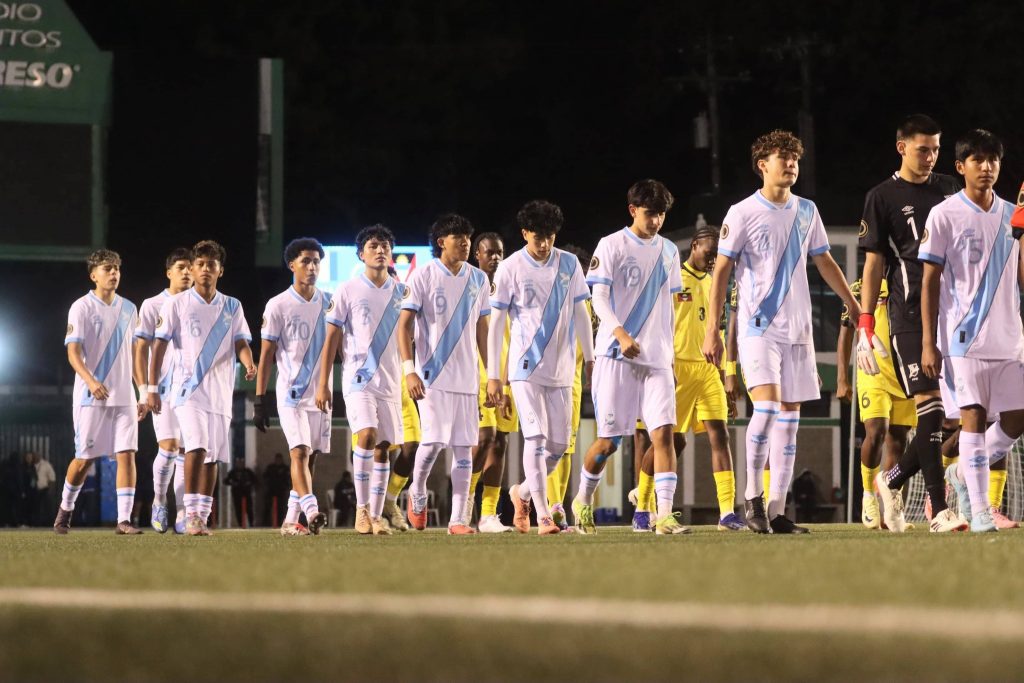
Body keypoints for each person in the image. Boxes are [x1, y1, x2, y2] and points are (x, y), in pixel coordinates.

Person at [702, 130, 861, 534]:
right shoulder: (741, 212)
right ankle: (752, 498)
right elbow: (721, 273)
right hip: (758, 329)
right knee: (768, 410)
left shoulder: (807, 210)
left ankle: (775, 510)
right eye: (782, 158)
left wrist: (852, 302)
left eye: (795, 159)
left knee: (790, 420)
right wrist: (713, 330)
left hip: (799, 331)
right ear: (762, 165)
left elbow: (824, 260)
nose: (790, 165)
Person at [853, 115, 966, 533]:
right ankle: (940, 509)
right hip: (910, 315)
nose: (930, 157)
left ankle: (892, 480)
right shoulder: (881, 197)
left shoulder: (950, 189)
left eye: (936, 149)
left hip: (954, 313)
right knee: (930, 406)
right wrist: (866, 322)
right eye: (923, 149)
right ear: (902, 147)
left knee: (950, 418)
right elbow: (873, 264)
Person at [919, 129, 1024, 533]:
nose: (987, 167)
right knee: (973, 417)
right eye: (977, 159)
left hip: (1008, 338)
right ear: (960, 167)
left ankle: (961, 472)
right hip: (962, 339)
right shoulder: (944, 214)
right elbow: (930, 281)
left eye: (993, 159)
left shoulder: (1013, 215)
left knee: (1016, 419)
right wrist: (929, 341)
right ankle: (980, 511)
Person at [572, 179, 689, 536]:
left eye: (662, 214)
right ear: (633, 210)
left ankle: (664, 515)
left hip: (656, 361)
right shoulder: (611, 245)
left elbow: (669, 307)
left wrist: (670, 356)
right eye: (650, 213)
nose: (656, 221)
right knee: (609, 442)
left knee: (664, 435)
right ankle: (582, 499)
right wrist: (621, 334)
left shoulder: (669, 251)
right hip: (615, 356)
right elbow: (598, 298)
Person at [487, 200, 593, 535]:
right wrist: (494, 375)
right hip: (525, 368)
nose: (544, 244)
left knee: (559, 446)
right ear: (524, 234)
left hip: (562, 370)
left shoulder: (569, 264)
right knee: (535, 437)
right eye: (537, 238)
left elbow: (581, 313)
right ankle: (543, 515)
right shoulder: (510, 268)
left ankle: (520, 493)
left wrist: (590, 359)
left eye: (549, 237)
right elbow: (496, 323)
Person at [148, 240, 256, 536]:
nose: (206, 269)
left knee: (213, 456)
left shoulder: (232, 306)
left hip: (220, 393)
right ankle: (189, 512)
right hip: (187, 391)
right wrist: (152, 387)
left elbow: (240, 341)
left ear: (221, 270)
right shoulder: (176, 304)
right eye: (200, 264)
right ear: (193, 269)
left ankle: (202, 517)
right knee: (195, 446)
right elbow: (159, 346)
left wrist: (249, 362)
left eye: (212, 264)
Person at [399, 213, 490, 535]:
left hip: (467, 378)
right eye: (458, 238)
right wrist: (409, 371)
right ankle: (417, 491)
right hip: (431, 375)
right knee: (435, 441)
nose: (466, 243)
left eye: (468, 238)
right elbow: (404, 326)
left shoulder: (479, 279)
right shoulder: (422, 276)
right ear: (441, 242)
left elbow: (482, 328)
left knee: (465, 448)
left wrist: (491, 374)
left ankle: (458, 520)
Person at [317, 225, 405, 536]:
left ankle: (377, 516)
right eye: (373, 246)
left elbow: (411, 336)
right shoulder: (347, 289)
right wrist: (323, 383)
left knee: (384, 447)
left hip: (391, 380)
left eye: (385, 246)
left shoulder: (402, 292)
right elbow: (331, 337)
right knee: (366, 435)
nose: (380, 251)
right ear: (360, 255)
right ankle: (362, 510)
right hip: (358, 378)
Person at [55, 249, 144, 535]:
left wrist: (142, 391)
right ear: (93, 275)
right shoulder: (81, 307)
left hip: (124, 397)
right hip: (90, 397)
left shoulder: (130, 309)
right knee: (84, 459)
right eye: (108, 268)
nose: (114, 273)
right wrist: (91, 382)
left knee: (127, 454)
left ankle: (124, 520)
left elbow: (134, 356)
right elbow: (73, 353)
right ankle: (65, 510)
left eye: (117, 268)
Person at [256, 237, 332, 536]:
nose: (312, 267)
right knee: (299, 452)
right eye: (306, 261)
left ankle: (290, 521)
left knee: (311, 457)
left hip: (321, 394)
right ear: (292, 265)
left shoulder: (330, 302)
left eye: (316, 262)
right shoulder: (278, 305)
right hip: (291, 394)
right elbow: (266, 355)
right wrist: (260, 399)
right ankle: (312, 511)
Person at [836, 278, 916, 529]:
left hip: (903, 374)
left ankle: (891, 506)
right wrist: (842, 378)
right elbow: (846, 332)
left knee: (899, 440)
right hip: (872, 371)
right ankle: (868, 496)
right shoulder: (860, 286)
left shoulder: (907, 279)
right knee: (877, 431)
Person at [134, 247, 193, 534]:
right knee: (168, 447)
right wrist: (144, 390)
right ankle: (159, 501)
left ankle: (182, 512)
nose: (187, 272)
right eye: (181, 267)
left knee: (186, 451)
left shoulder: (200, 304)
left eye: (190, 267)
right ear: (169, 272)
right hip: (162, 389)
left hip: (191, 390)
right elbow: (139, 350)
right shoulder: (152, 304)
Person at [472, 231, 517, 533]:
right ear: (477, 255)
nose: (496, 258)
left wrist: (510, 376)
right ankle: (464, 505)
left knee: (500, 442)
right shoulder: (471, 286)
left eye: (500, 252)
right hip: (478, 375)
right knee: (483, 439)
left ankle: (489, 515)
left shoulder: (510, 286)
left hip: (507, 376)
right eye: (489, 252)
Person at [545, 243, 593, 529]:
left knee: (567, 446)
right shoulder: (553, 298)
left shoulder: (590, 304)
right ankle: (547, 504)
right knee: (548, 444)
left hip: (573, 381)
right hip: (547, 378)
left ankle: (556, 507)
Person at [225, 456, 257, 528]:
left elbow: (255, 480)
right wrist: (233, 483)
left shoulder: (248, 471)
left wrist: (249, 483)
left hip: (247, 493)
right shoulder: (233, 472)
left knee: (249, 509)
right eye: (238, 462)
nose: (240, 464)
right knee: (238, 510)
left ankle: (251, 524)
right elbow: (226, 481)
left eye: (241, 462)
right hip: (237, 494)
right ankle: (240, 524)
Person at [263, 453, 292, 525]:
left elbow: (288, 479)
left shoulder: (285, 468)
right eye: (277, 459)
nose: (278, 461)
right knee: (268, 507)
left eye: (279, 459)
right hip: (271, 490)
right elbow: (265, 476)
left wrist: (286, 486)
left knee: (281, 508)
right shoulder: (271, 467)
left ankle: (280, 523)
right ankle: (266, 523)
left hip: (281, 491)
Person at [32, 453, 56, 526]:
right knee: (36, 508)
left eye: (37, 455)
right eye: (34, 456)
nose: (35, 457)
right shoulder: (31, 465)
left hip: (44, 489)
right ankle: (37, 523)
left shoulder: (46, 465)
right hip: (34, 490)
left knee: (47, 507)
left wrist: (50, 490)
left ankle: (49, 523)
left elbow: (52, 478)